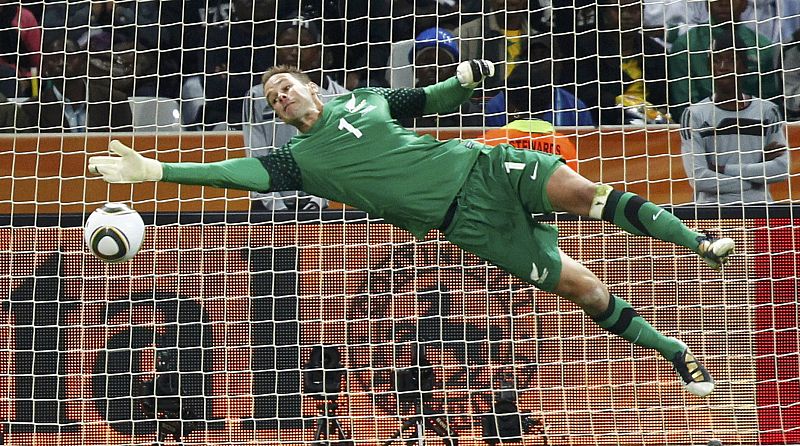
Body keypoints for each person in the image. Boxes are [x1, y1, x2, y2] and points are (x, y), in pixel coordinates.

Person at [89, 59, 735, 398]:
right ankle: (675, 352)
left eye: (284, 87)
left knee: (582, 193)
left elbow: (433, 100)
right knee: (585, 290)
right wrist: (155, 170)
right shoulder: (297, 163)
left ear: (312, 88)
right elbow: (231, 174)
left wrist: (465, 80)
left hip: (485, 168)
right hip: (467, 226)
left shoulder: (366, 101)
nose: (279, 98)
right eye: (271, 99)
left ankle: (700, 243)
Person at [242, 16, 348, 211]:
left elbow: (338, 155)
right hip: (269, 204)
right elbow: (256, 152)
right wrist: (276, 207)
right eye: (286, 44)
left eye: (303, 44)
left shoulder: (342, 98)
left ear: (319, 51)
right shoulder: (257, 96)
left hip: (326, 202)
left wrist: (318, 201)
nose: (294, 50)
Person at [680, 32, 788, 205]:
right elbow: (699, 177)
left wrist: (722, 169)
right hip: (711, 210)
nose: (723, 66)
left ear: (744, 66)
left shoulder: (768, 111)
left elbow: (781, 170)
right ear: (709, 67)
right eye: (716, 60)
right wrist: (750, 180)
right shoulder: (694, 115)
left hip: (760, 209)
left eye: (731, 59)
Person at [667, 0, 781, 118]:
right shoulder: (685, 46)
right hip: (701, 127)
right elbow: (685, 105)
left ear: (745, 3)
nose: (723, 3)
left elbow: (769, 102)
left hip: (753, 127)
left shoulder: (762, 47)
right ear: (707, 3)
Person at [19, 36, 132, 132]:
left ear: (83, 62)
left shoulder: (115, 102)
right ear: (44, 67)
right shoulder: (32, 110)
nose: (62, 63)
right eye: (54, 58)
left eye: (69, 56)